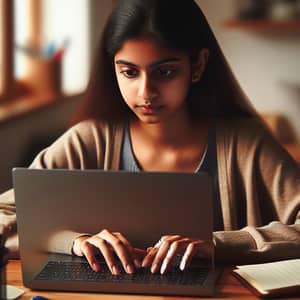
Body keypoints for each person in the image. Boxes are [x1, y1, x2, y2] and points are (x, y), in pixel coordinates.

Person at [0, 0, 299, 276]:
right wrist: (74, 242)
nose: (146, 92)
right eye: (130, 72)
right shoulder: (88, 140)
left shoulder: (246, 144)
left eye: (165, 72)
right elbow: (5, 215)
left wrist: (218, 244)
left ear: (198, 65)